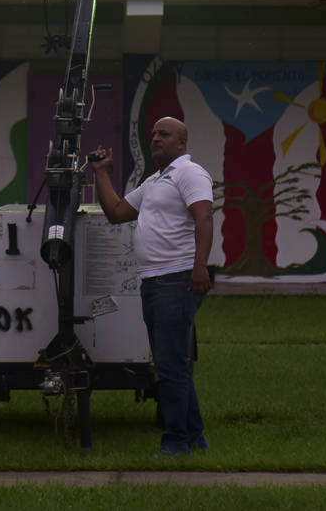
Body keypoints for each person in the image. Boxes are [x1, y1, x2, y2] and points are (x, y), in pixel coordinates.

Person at [88, 116, 213, 456]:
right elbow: (115, 212)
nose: (156, 137)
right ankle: (195, 436)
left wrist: (199, 266)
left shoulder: (189, 173)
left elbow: (204, 216)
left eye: (165, 134)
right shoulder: (157, 180)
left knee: (170, 366)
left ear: (181, 143)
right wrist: (101, 171)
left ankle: (175, 442)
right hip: (154, 282)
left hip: (176, 279)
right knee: (174, 363)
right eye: (154, 133)